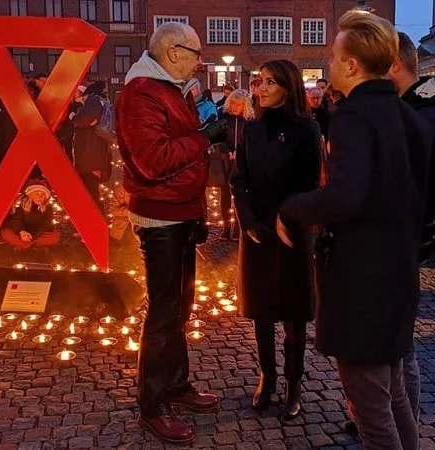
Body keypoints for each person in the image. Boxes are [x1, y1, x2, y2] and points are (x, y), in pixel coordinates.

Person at [277, 11, 429, 449]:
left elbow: (346, 194)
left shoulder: (354, 117)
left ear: (351, 66)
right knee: (394, 392)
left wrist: (293, 210)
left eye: (333, 55)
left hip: (362, 283)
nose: (328, 62)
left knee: (370, 407)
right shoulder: (406, 115)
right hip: (398, 275)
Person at [116, 22, 228, 444]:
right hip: (160, 218)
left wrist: (196, 212)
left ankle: (176, 384)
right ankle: (151, 401)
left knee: (180, 307)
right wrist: (203, 138)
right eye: (196, 52)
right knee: (163, 312)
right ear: (172, 52)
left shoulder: (168, 89)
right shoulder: (141, 93)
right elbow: (153, 161)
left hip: (178, 213)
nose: (201, 60)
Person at [231, 60, 320, 421]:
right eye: (258, 81)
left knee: (293, 314)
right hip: (258, 232)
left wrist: (289, 217)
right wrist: (248, 220)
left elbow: (310, 185)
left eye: (270, 82)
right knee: (262, 312)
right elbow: (239, 179)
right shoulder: (252, 128)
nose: (260, 88)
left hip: (291, 232)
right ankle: (267, 375)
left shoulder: (307, 129)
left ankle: (293, 382)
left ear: (288, 86)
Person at [389, 33, 435, 256]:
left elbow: (429, 186)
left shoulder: (432, 114)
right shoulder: (406, 106)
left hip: (406, 237)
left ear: (394, 65)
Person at [211, 89, 253, 239]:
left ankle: (238, 229)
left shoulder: (248, 123)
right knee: (225, 195)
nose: (236, 107)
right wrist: (227, 150)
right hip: (225, 161)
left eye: (239, 105)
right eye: (234, 104)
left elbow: (251, 142)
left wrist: (239, 153)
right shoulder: (224, 120)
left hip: (241, 164)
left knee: (240, 195)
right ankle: (226, 227)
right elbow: (218, 139)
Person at [70, 81, 112, 211]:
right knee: (90, 192)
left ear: (84, 93)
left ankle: (97, 224)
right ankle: (94, 224)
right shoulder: (94, 102)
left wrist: (73, 117)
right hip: (90, 157)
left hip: (91, 159)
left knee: (92, 193)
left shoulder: (93, 100)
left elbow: (85, 120)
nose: (73, 95)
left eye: (76, 92)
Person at [0, 179, 60, 254]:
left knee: (55, 237)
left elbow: (46, 225)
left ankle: (24, 245)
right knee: (6, 233)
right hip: (23, 234)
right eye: (37, 194)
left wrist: (33, 236)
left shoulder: (47, 208)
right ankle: (34, 245)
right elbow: (16, 220)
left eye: (43, 195)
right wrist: (21, 232)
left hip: (38, 235)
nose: (40, 197)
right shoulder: (23, 205)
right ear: (30, 195)